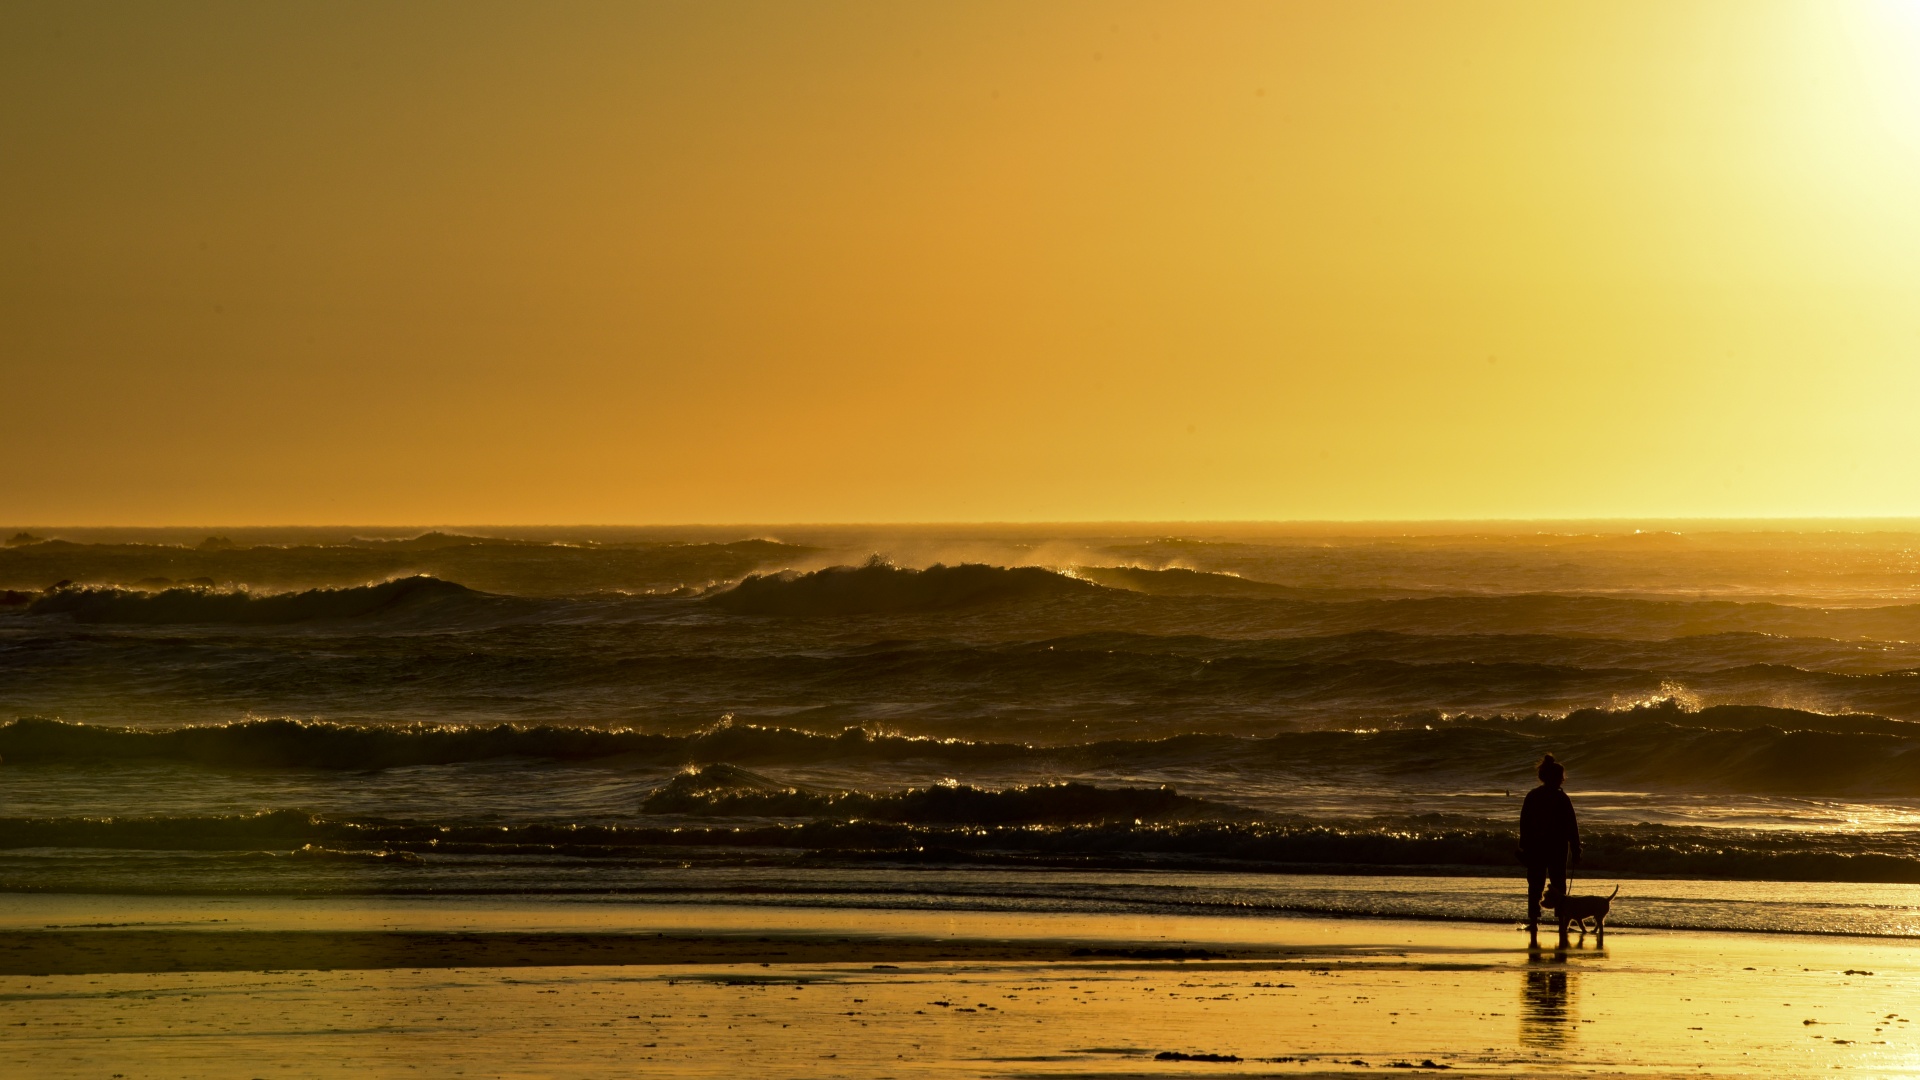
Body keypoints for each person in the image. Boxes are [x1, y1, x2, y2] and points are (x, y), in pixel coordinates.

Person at [1519, 753, 1581, 938]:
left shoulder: (1533, 796)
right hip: (1557, 847)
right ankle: (1561, 922)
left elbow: (1524, 823)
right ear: (1558, 778)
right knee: (1558, 884)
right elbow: (1572, 825)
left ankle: (1534, 922)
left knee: (1535, 884)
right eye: (1561, 777)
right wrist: (1576, 848)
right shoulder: (1562, 798)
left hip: (1536, 847)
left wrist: (1523, 845)